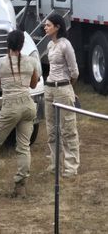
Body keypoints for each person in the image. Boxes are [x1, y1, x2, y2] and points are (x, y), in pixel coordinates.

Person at [0, 29, 38, 198]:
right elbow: (33, 85)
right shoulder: (31, 62)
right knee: (23, 147)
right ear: (22, 44)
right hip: (28, 104)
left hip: (11, 106)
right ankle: (20, 185)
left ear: (8, 44)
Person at [44, 13, 80, 178]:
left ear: (57, 27)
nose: (45, 27)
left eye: (48, 25)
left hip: (63, 88)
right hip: (49, 88)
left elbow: (74, 71)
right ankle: (54, 164)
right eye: (45, 25)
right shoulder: (50, 45)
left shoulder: (66, 45)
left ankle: (71, 167)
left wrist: (67, 88)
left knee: (68, 129)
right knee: (51, 129)